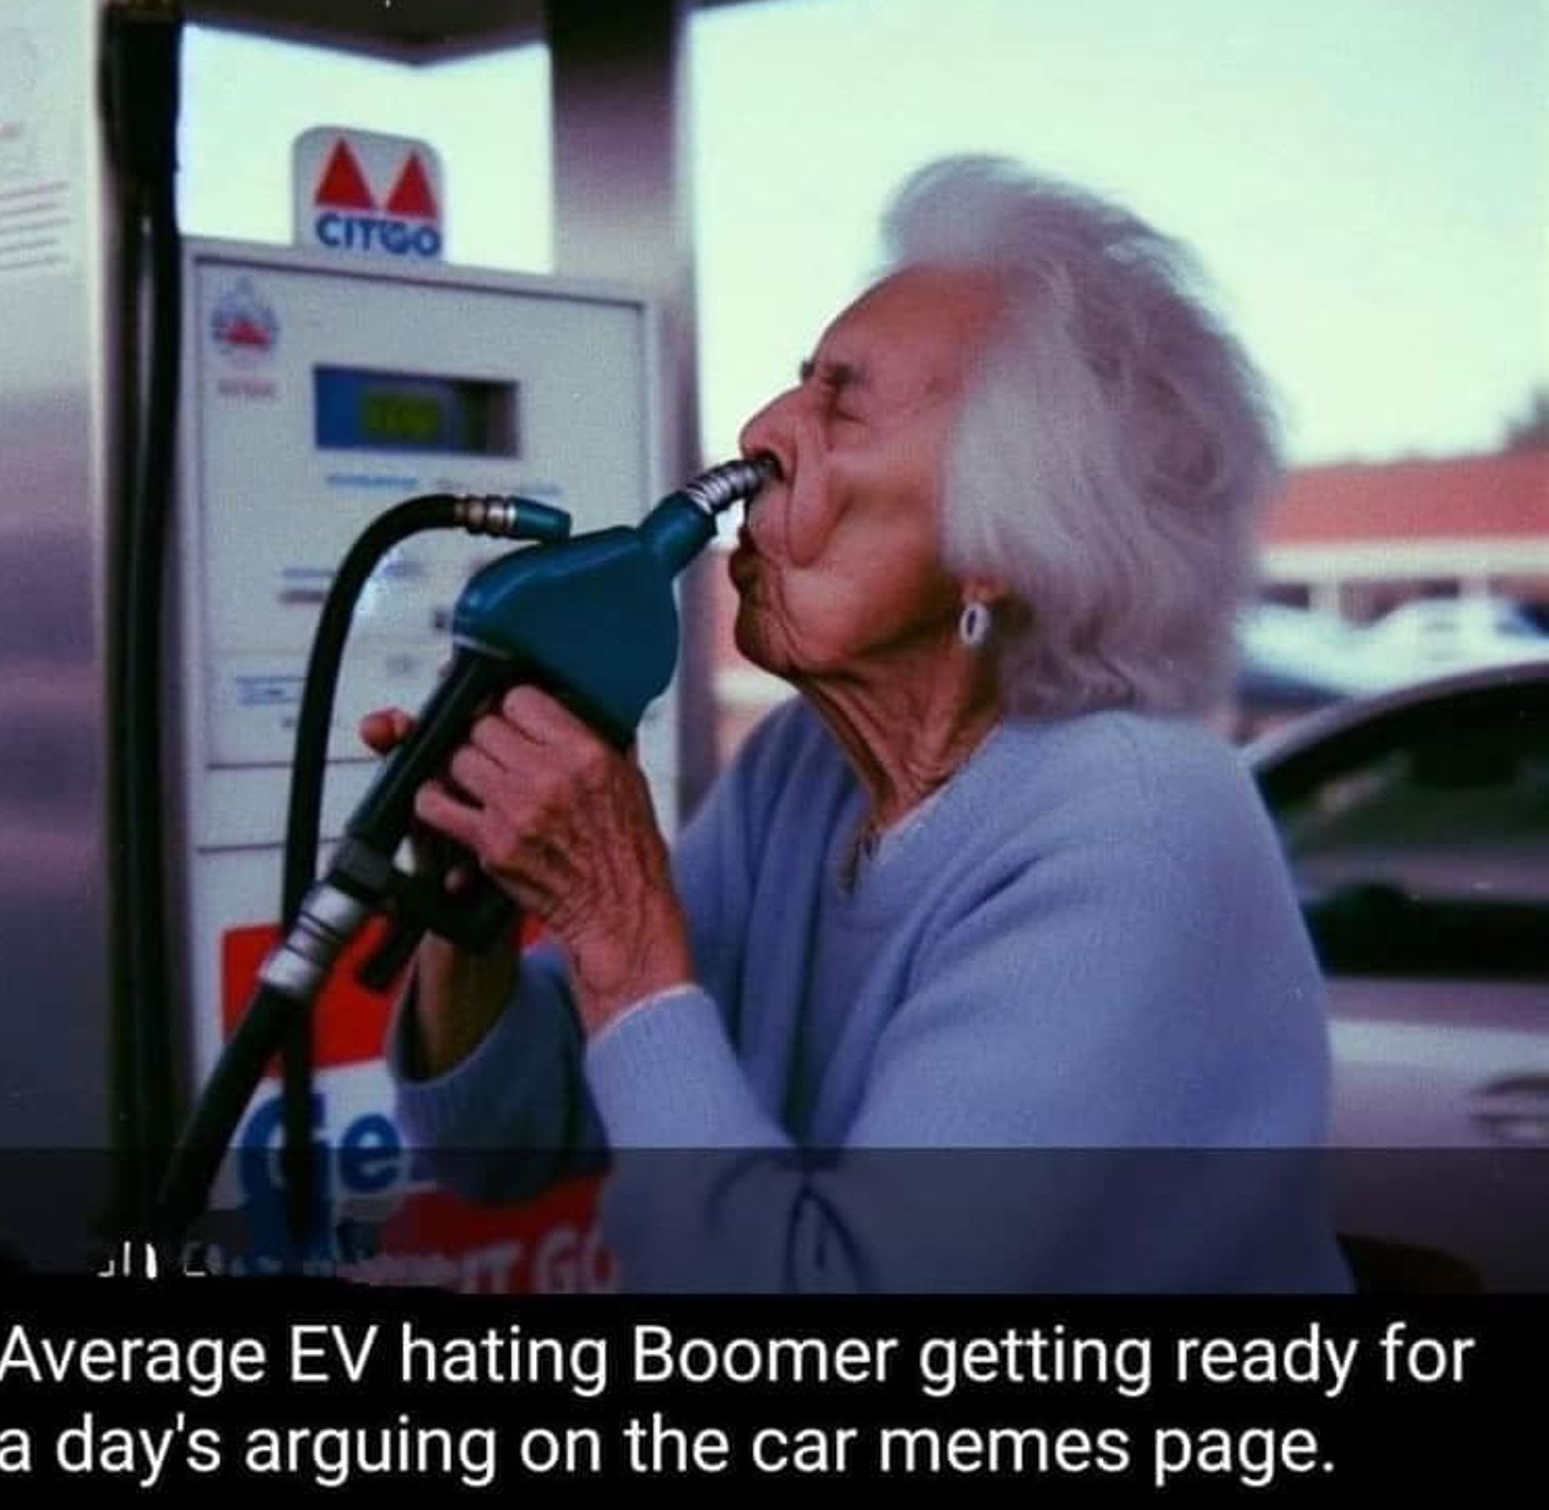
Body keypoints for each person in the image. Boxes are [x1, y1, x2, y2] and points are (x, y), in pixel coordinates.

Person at [373, 155, 1351, 1292]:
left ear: (1010, 536)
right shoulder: (803, 766)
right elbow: (505, 1138)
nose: (762, 428)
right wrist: (475, 903)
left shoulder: (1139, 827)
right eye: (798, 383)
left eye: (840, 400)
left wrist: (619, 921)